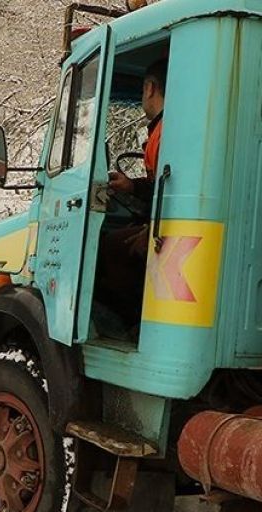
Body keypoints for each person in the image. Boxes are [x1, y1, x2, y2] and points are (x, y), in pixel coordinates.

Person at [97, 58, 167, 328]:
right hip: (158, 220)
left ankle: (129, 325)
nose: (142, 98)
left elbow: (174, 187)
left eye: (141, 92)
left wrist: (151, 228)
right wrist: (132, 186)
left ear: (150, 88)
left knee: (110, 248)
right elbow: (161, 183)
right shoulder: (162, 130)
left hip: (163, 228)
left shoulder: (165, 131)